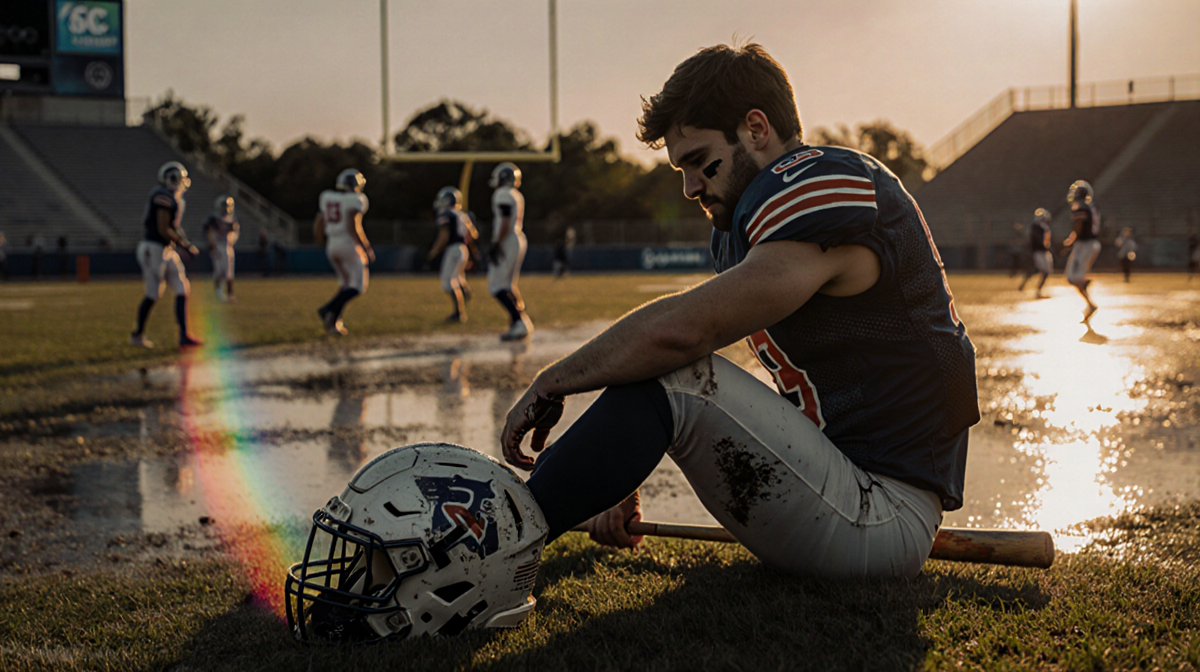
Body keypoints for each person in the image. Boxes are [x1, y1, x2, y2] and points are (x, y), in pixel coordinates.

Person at [500, 43, 979, 579]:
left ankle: (499, 542)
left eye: (701, 162)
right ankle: (513, 530)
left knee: (679, 368)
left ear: (756, 128)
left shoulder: (819, 183)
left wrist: (554, 381)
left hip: (882, 508)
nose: (689, 187)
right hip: (834, 484)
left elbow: (680, 336)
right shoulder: (738, 227)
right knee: (672, 368)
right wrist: (616, 479)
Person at [129, 161, 203, 349]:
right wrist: (184, 245)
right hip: (154, 248)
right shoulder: (163, 197)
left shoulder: (170, 197)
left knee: (181, 287)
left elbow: (171, 228)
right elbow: (163, 229)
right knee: (153, 294)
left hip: (165, 249)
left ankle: (184, 336)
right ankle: (137, 335)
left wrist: (181, 243)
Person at [314, 168, 373, 336]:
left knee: (345, 285)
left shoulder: (328, 197)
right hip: (348, 244)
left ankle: (333, 322)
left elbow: (319, 222)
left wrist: (321, 241)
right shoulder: (355, 200)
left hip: (332, 244)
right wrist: (366, 247)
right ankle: (328, 309)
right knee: (358, 286)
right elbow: (353, 226)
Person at [487, 162, 534, 341]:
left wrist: (496, 243)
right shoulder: (516, 194)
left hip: (508, 240)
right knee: (509, 285)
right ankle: (522, 322)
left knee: (496, 286)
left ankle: (519, 322)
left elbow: (505, 221)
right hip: (518, 238)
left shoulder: (502, 194)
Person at [427, 186, 479, 323]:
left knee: (448, 283)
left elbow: (444, 235)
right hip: (463, 248)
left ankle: (459, 313)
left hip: (454, 248)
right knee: (457, 278)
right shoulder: (462, 215)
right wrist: (472, 253)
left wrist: (434, 251)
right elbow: (472, 234)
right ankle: (465, 294)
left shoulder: (446, 214)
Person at [1061, 180, 1101, 320]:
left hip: (1085, 245)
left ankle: (1089, 298)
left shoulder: (1080, 208)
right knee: (1073, 277)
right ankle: (1089, 302)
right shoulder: (1091, 207)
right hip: (1091, 244)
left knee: (1073, 277)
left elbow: (1078, 226)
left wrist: (1071, 242)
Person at [202, 194, 241, 302]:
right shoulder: (214, 218)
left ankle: (230, 293)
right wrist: (210, 242)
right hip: (217, 245)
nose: (226, 208)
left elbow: (235, 233)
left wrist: (232, 239)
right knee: (219, 270)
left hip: (227, 246)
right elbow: (207, 230)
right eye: (224, 205)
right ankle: (218, 291)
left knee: (229, 271)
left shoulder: (233, 219)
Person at [1018, 208, 1053, 298]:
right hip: (1039, 252)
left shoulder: (1042, 227)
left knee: (1039, 271)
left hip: (1043, 252)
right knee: (1043, 271)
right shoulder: (1037, 227)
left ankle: (1027, 286)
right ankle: (1037, 290)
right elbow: (1038, 241)